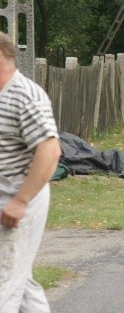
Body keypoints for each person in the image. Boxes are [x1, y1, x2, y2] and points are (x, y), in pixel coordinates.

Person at [0, 32, 61, 312]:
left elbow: (50, 151)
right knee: (21, 284)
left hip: (18, 201)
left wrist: (21, 200)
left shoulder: (26, 96)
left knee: (4, 283)